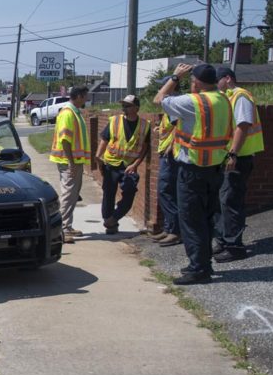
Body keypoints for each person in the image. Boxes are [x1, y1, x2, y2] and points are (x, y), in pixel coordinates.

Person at [153, 63, 234, 285]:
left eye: (191, 80)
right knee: (206, 219)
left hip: (193, 170)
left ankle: (199, 269)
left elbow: (159, 99)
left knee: (191, 220)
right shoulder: (224, 100)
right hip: (215, 168)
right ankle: (202, 263)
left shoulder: (194, 101)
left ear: (196, 82)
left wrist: (175, 77)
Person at [213, 65, 264, 261]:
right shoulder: (227, 98)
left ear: (227, 78)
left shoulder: (240, 96)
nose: (216, 85)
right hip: (226, 157)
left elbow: (242, 126)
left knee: (230, 201)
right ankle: (224, 240)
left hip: (238, 157)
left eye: (217, 81)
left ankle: (235, 247)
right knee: (221, 200)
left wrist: (232, 153)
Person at [95, 94, 151, 235]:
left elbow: (145, 148)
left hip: (129, 166)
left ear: (136, 108)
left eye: (127, 106)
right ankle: (110, 222)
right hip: (111, 164)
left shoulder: (145, 125)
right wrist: (97, 156)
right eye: (123, 105)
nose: (124, 108)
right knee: (109, 193)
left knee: (130, 191)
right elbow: (104, 139)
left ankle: (114, 217)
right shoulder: (114, 121)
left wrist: (136, 164)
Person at [49, 85, 91, 244]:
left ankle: (68, 226)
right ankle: (63, 229)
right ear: (79, 96)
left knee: (73, 194)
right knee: (68, 194)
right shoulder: (68, 113)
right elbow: (65, 140)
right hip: (69, 162)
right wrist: (72, 162)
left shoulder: (74, 112)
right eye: (86, 96)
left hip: (73, 161)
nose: (87, 99)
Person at [152, 77, 181, 247]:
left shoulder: (175, 104)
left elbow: (180, 126)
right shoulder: (170, 105)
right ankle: (169, 227)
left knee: (166, 191)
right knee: (165, 191)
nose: (159, 90)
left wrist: (172, 144)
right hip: (166, 153)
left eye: (162, 87)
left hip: (171, 155)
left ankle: (175, 231)